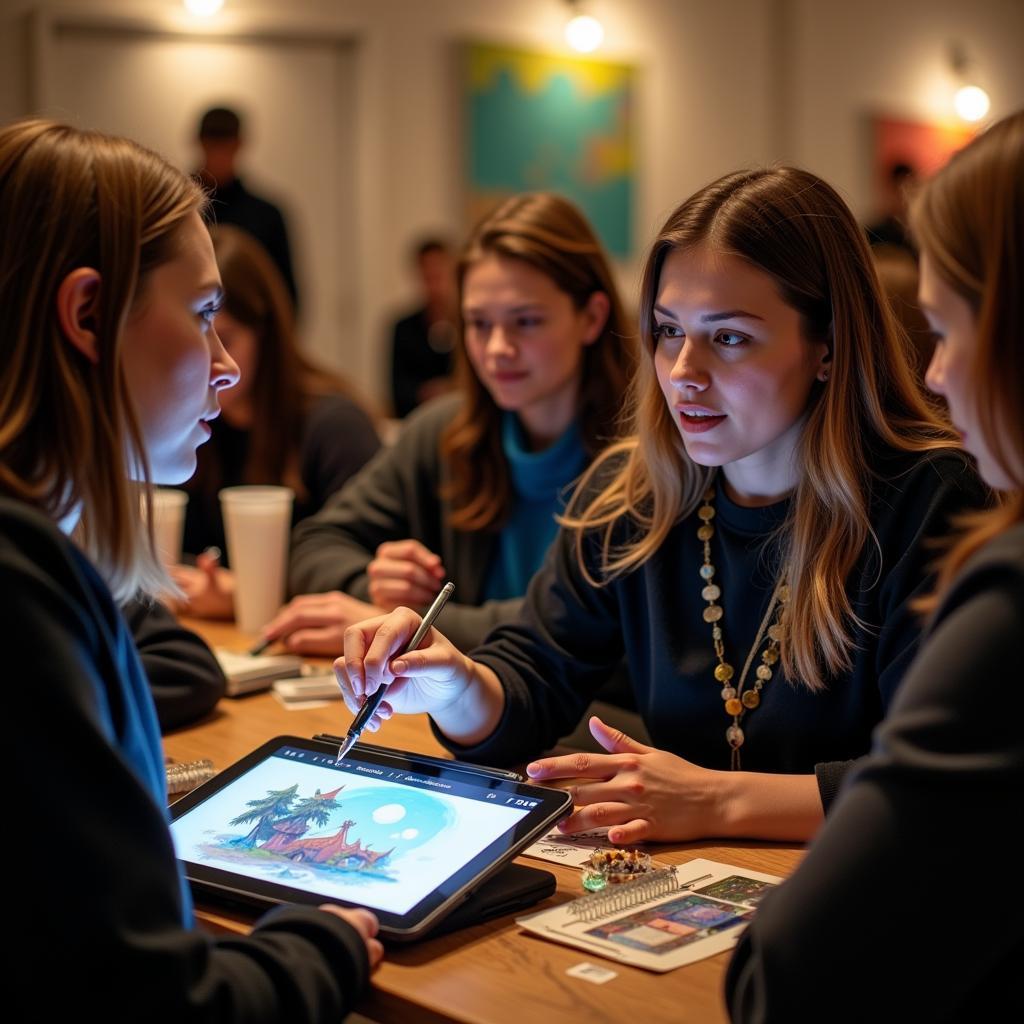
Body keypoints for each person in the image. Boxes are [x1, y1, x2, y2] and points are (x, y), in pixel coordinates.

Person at [337, 166, 987, 846]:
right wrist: (455, 685)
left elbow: (943, 781)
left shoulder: (931, 503)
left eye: (729, 337)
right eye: (668, 331)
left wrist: (717, 800)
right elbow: (533, 680)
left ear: (825, 345)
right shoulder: (634, 497)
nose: (683, 372)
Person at [0, 118, 381, 1019]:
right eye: (203, 315)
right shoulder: (19, 586)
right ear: (88, 315)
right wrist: (318, 945)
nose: (226, 369)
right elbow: (147, 999)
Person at [725, 111, 1024, 1023]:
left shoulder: (995, 570)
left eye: (945, 327)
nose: (935, 374)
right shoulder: (663, 495)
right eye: (665, 332)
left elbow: (790, 979)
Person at [269, 192, 636, 658]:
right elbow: (315, 545)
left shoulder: (649, 457)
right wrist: (377, 584)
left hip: (589, 727)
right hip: (449, 716)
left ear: (592, 317)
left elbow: (600, 630)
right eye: (478, 323)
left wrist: (413, 625)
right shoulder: (442, 432)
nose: (498, 347)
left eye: (525, 321)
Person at [172, 224, 380, 620]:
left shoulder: (333, 427)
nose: (211, 363)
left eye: (226, 339)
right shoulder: (186, 424)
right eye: (191, 339)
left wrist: (256, 592)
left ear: (267, 335)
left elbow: (367, 577)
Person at [195, 105, 300, 307]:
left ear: (239, 145)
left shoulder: (267, 216)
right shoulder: (179, 210)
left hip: (251, 330)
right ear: (201, 144)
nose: (219, 156)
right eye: (212, 145)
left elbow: (286, 296)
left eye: (226, 146)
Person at [390, 237, 458, 418]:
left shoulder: (469, 324)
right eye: (428, 277)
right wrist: (425, 393)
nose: (435, 286)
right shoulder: (403, 328)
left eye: (439, 275)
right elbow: (396, 390)